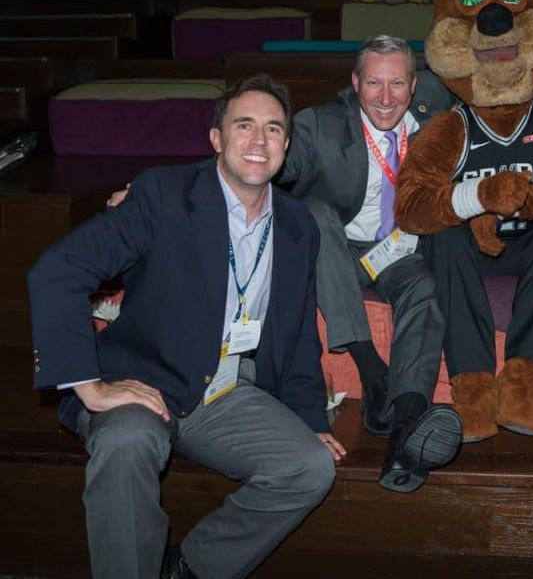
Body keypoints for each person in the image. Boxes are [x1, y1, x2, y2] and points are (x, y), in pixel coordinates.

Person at [28, 76, 342, 579]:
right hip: (143, 380)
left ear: (287, 145)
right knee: (126, 441)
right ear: (217, 138)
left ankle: (191, 569)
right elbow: (57, 271)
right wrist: (89, 388)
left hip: (223, 391)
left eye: (273, 128)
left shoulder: (297, 224)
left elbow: (301, 332)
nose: (259, 140)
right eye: (244, 125)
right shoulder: (162, 193)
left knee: (309, 467)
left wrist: (313, 421)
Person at [279, 35, 463, 493]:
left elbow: (495, 97)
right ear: (355, 83)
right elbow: (257, 162)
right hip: (336, 250)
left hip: (399, 250)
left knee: (424, 289)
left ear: (414, 85)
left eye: (397, 84)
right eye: (374, 84)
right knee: (316, 212)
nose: (385, 98)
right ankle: (370, 368)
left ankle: (403, 426)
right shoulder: (318, 125)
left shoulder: (434, 121)